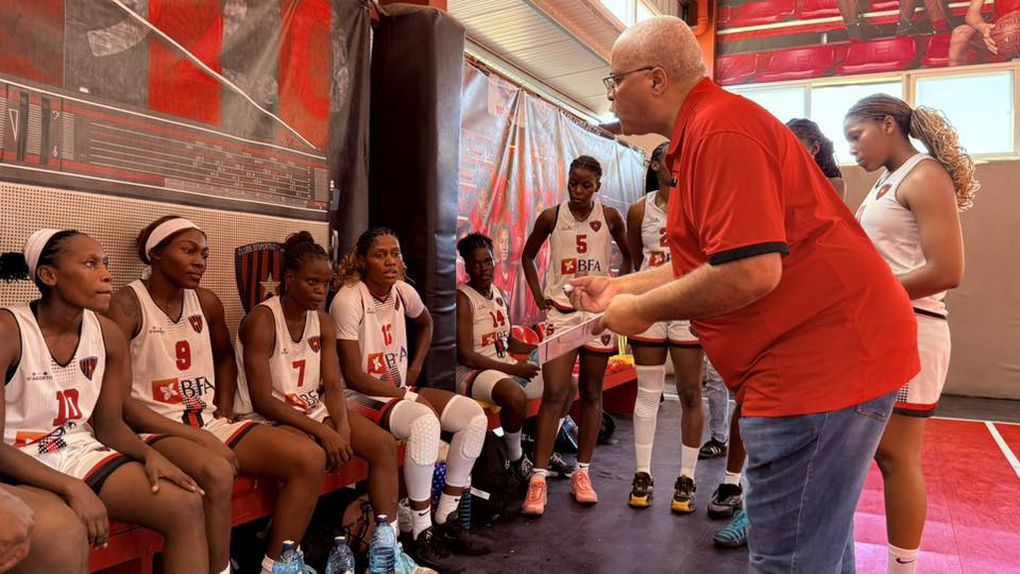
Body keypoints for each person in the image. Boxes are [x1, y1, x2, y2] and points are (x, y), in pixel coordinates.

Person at [576, 16, 920, 571]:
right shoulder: (704, 133)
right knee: (818, 548)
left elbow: (752, 273)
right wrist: (620, 285)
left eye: (614, 79)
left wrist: (636, 310)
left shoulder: (720, 132)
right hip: (823, 360)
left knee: (789, 560)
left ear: (657, 79)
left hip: (818, 369)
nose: (611, 93)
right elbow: (716, 259)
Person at [105, 216, 326, 574]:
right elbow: (119, 402)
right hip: (154, 428)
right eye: (189, 251)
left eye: (204, 254)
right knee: (218, 471)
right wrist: (197, 435)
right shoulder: (127, 304)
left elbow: (225, 357)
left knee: (308, 458)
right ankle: (221, 569)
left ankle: (276, 566)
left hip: (206, 422)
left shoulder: (207, 303)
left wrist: (222, 409)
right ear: (157, 254)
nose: (200, 262)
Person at [0, 229, 208, 573]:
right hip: (18, 458)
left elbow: (110, 425)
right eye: (90, 263)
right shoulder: (9, 331)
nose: (106, 274)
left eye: (106, 263)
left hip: (76, 451)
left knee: (184, 503)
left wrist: (150, 454)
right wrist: (72, 488)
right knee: (64, 532)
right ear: (49, 276)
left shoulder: (107, 334)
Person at [233, 231, 425, 572]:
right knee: (312, 457)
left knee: (381, 445)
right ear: (288, 278)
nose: (320, 291)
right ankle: (276, 565)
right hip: (268, 418)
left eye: (325, 284)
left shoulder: (322, 321)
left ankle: (387, 550)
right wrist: (326, 433)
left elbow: (334, 386)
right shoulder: (263, 320)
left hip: (311, 410)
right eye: (311, 282)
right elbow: (262, 399)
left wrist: (342, 426)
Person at [846, 94, 978, 574]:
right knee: (870, 453)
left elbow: (947, 269)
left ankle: (905, 568)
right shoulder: (886, 181)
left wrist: (865, 297)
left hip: (912, 329)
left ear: (887, 125)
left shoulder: (924, 176)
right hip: (879, 328)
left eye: (857, 137)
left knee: (895, 457)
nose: (854, 150)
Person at [330, 227, 490, 568]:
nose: (391, 261)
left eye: (395, 253)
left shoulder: (403, 291)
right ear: (362, 260)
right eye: (380, 255)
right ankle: (421, 532)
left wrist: (415, 367)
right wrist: (407, 394)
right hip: (358, 396)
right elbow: (355, 376)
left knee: (473, 416)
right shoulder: (348, 298)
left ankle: (446, 518)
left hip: (395, 392)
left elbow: (427, 324)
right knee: (425, 422)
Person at [520, 155, 632, 515]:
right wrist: (539, 295)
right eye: (573, 183)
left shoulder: (611, 217)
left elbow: (630, 256)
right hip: (562, 314)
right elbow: (527, 256)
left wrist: (618, 291)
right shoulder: (552, 216)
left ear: (598, 186)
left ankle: (582, 473)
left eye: (586, 185)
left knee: (592, 393)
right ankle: (538, 479)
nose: (579, 190)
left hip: (597, 316)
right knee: (555, 393)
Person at [624, 142, 705, 513]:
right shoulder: (639, 210)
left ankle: (687, 476)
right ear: (655, 164)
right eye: (670, 157)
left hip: (688, 306)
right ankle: (643, 472)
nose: (678, 163)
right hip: (651, 307)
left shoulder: (700, 205)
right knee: (648, 392)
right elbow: (632, 261)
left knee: (690, 393)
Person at [455, 232, 539, 482]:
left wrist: (539, 348)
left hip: (503, 368)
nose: (483, 268)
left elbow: (508, 340)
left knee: (565, 384)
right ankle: (516, 457)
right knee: (515, 395)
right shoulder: (463, 298)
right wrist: (515, 370)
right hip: (473, 372)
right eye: (476, 263)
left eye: (487, 261)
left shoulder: (500, 293)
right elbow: (467, 355)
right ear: (468, 267)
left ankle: (542, 448)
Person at [787, 118, 846, 200]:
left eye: (797, 150)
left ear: (815, 148)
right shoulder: (780, 181)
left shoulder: (834, 185)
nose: (788, 155)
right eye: (785, 149)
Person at [948, 0, 1017, 65]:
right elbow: (972, 14)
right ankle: (956, 76)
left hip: (1014, 31)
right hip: (998, 32)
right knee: (960, 33)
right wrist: (982, 27)